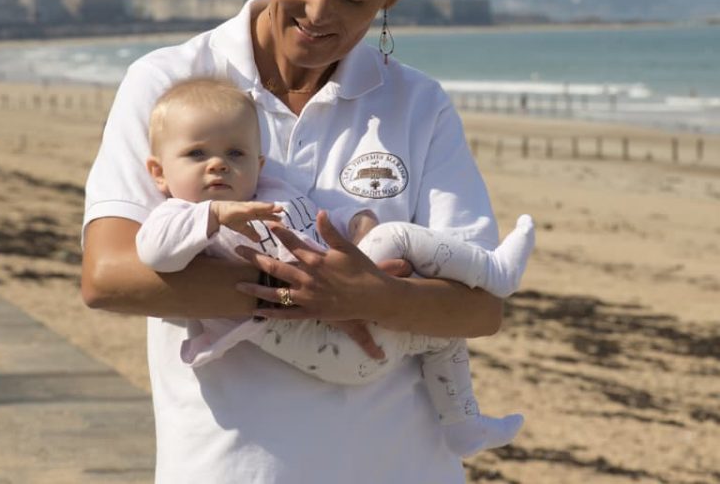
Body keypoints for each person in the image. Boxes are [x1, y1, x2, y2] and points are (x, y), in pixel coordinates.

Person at [82, 0, 514, 484]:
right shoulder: (169, 83)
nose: (319, 16)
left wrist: (368, 295)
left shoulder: (419, 104)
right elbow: (107, 277)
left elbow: (481, 306)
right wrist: (298, 290)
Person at [135, 77, 534, 456]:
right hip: (322, 345)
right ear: (159, 173)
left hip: (353, 344)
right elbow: (155, 252)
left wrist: (358, 221)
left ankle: (462, 425)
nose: (218, 165)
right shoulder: (179, 214)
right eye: (197, 154)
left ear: (259, 163)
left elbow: (319, 221)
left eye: (235, 154)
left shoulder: (273, 196)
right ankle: (493, 272)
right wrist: (216, 214)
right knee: (399, 236)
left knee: (439, 336)